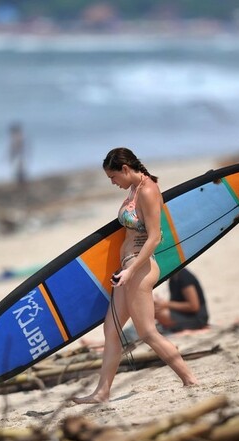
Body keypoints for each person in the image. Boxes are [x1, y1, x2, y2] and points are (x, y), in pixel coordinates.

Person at [71, 148, 199, 404]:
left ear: (126, 169)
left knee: (147, 332)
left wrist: (130, 270)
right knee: (112, 329)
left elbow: (154, 237)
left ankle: (190, 379)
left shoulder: (149, 191)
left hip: (139, 269)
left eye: (113, 177)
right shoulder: (134, 189)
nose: (112, 182)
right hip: (127, 269)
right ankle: (102, 393)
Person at [154, 268, 209, 332]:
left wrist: (166, 304)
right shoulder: (173, 278)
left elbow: (194, 306)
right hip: (184, 313)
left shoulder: (184, 277)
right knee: (155, 308)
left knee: (161, 313)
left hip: (197, 318)